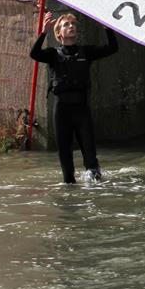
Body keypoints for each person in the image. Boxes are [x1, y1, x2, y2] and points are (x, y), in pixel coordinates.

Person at [30, 12, 118, 183]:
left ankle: (95, 189)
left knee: (90, 154)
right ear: (59, 34)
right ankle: (70, 190)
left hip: (82, 109)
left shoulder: (86, 51)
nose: (71, 27)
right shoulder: (52, 54)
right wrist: (43, 33)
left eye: (73, 25)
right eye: (66, 25)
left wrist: (107, 27)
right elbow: (34, 54)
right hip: (62, 110)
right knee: (65, 155)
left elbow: (112, 48)